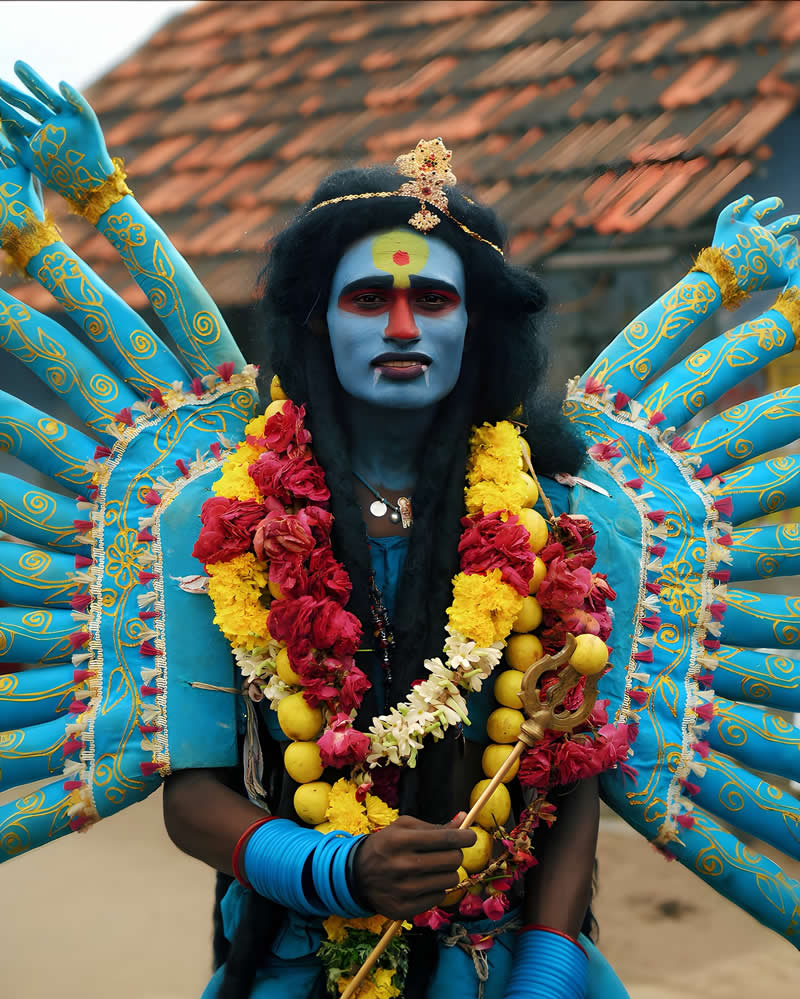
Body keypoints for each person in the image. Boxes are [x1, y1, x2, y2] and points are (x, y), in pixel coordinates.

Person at [1, 64, 799, 999]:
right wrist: (330, 870)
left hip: (507, 959)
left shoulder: (562, 513)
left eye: (436, 301)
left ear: (478, 327)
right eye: (368, 299)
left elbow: (571, 771)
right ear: (316, 325)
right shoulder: (220, 519)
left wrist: (546, 964)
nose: (404, 325)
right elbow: (193, 791)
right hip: (303, 955)